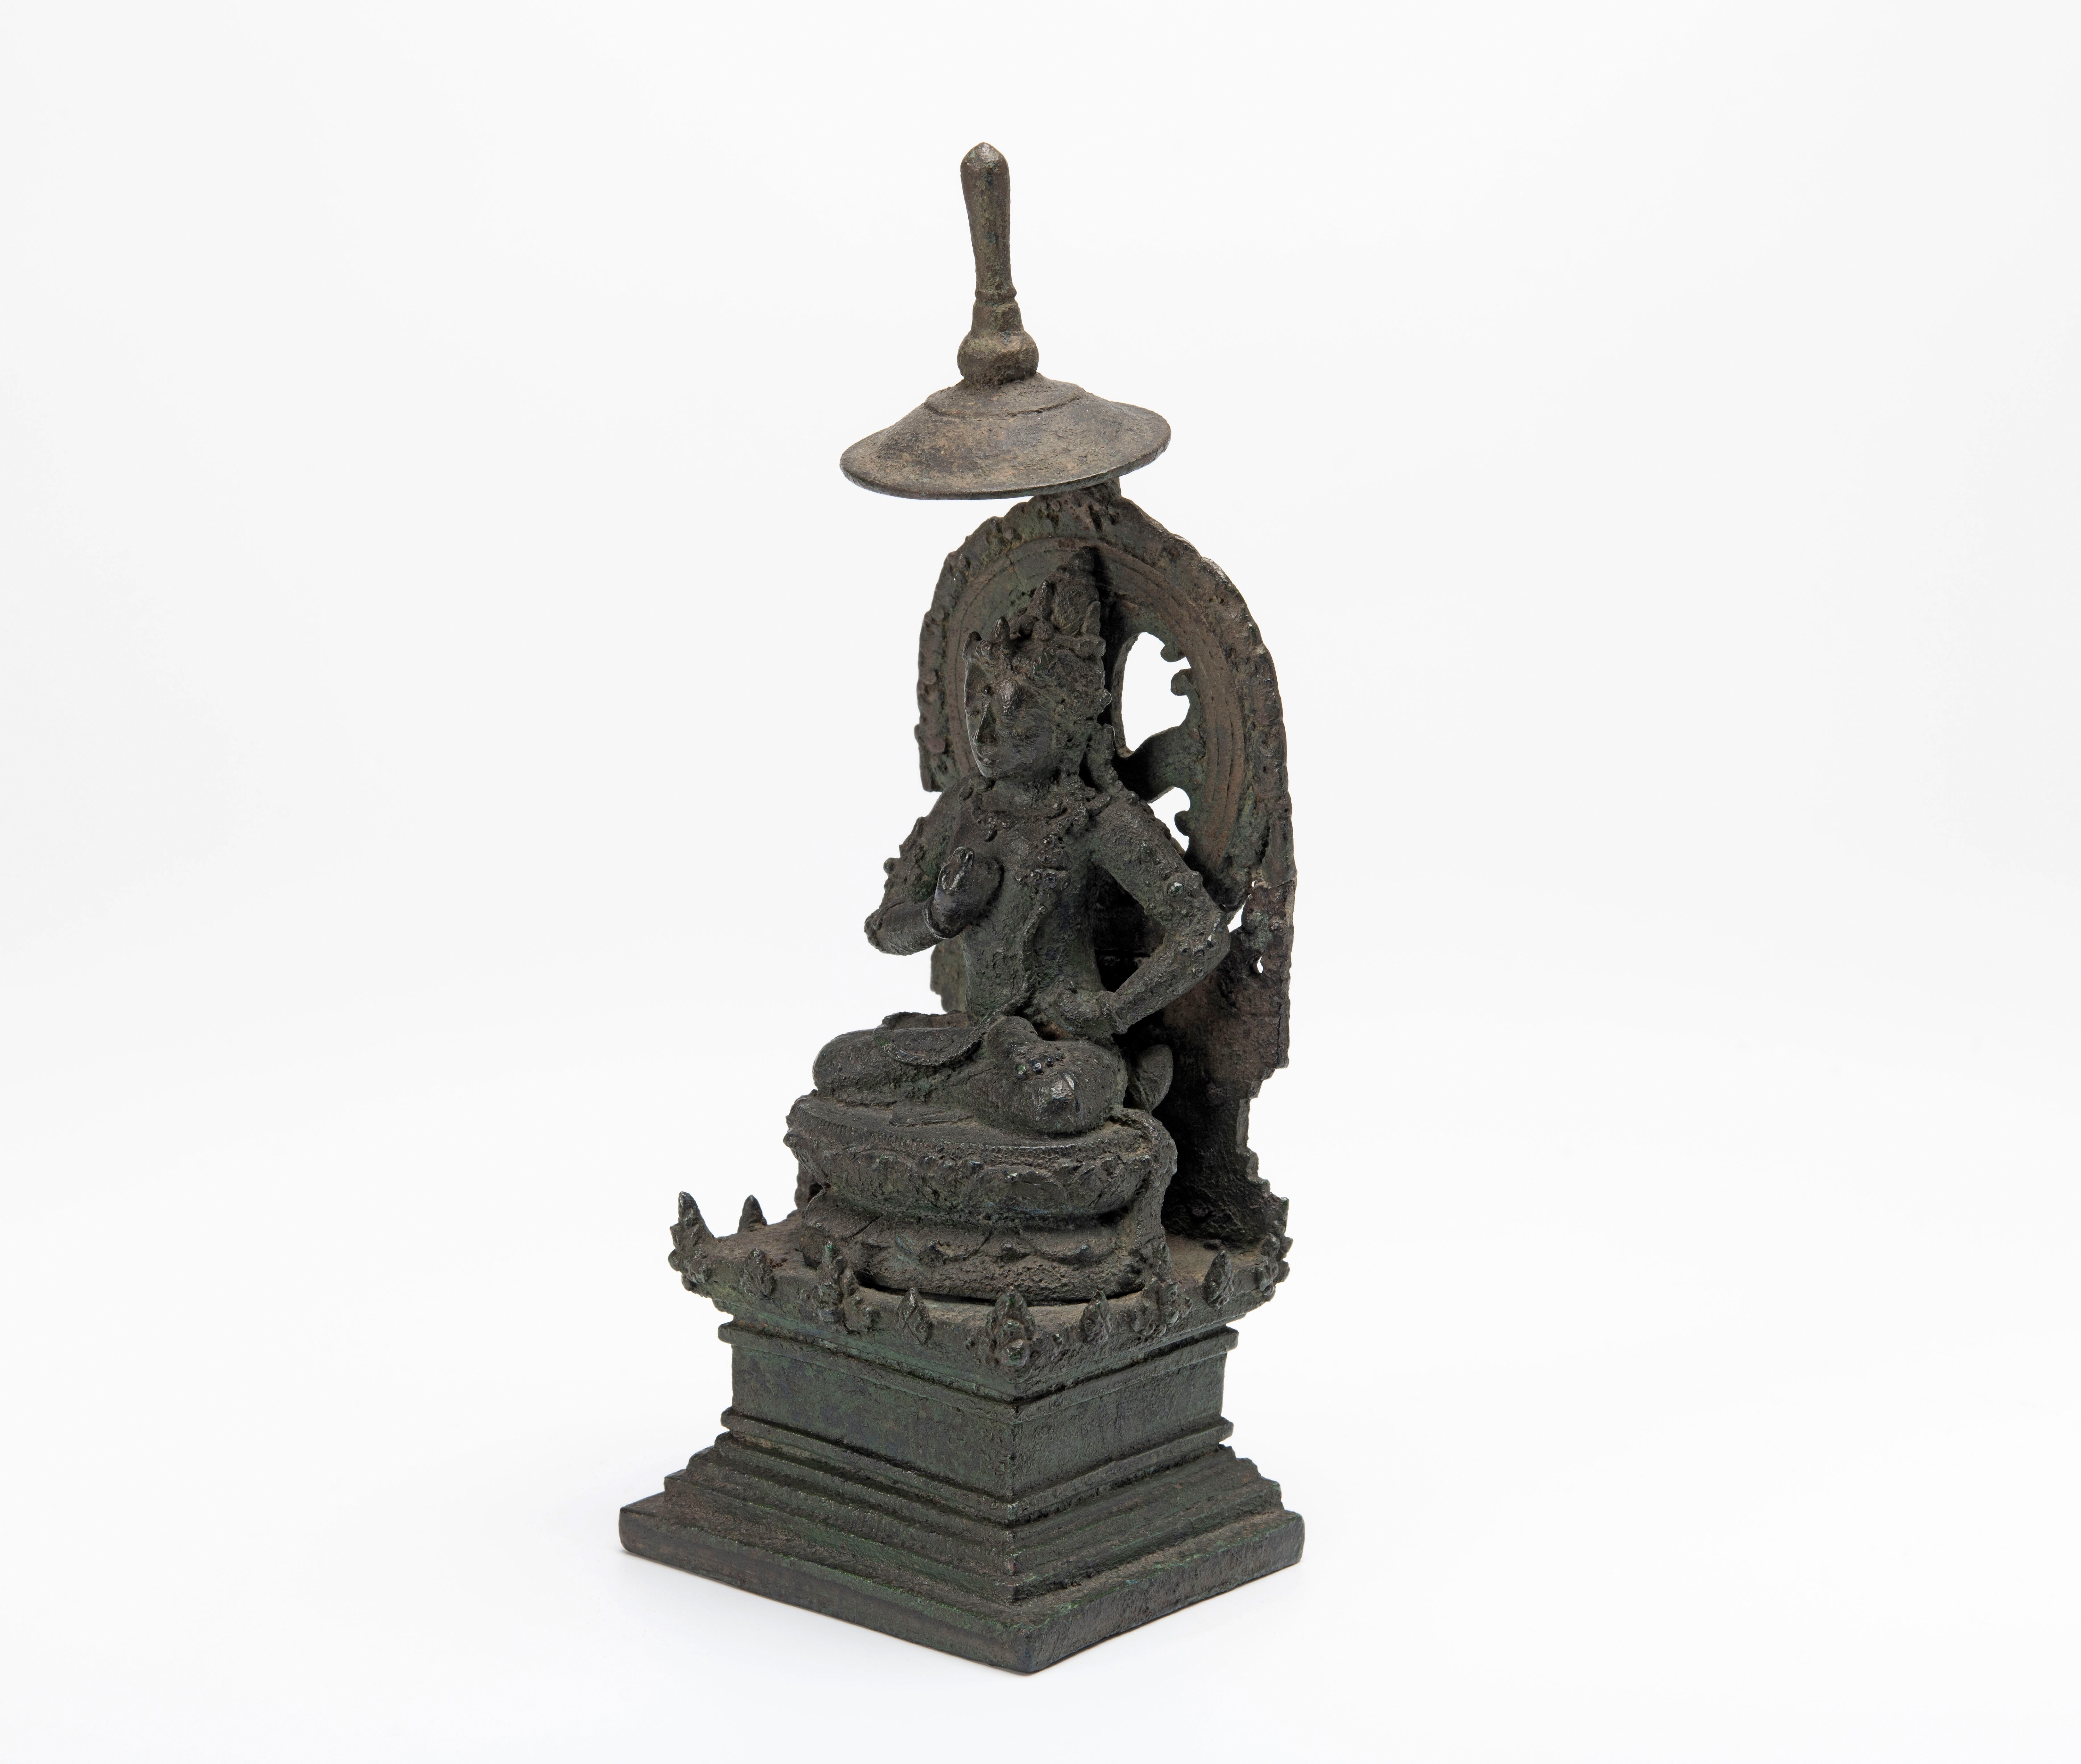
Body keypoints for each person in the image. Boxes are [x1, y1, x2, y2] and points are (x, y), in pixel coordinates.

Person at [813, 558, 1228, 1136]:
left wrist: (1114, 1012)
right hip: (973, 1034)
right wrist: (939, 916)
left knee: (1052, 1101)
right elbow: (884, 930)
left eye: (1016, 720)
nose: (984, 737)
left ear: (1068, 730)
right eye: (978, 710)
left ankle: (1111, 1081)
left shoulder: (1096, 819)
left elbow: (1202, 931)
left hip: (1066, 1046)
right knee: (835, 1066)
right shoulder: (963, 806)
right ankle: (1002, 1073)